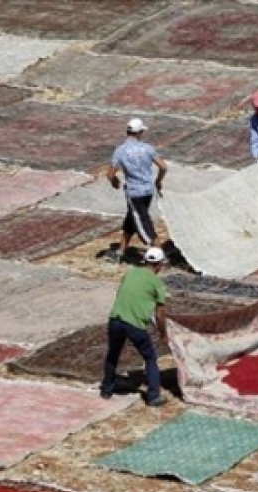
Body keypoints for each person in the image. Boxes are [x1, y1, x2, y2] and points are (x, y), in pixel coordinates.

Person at [101, 246, 169, 407]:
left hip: (115, 320)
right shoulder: (157, 284)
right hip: (135, 325)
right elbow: (160, 315)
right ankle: (153, 396)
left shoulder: (130, 272)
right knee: (150, 358)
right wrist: (163, 334)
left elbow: (122, 294)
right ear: (159, 264)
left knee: (112, 354)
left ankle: (106, 389)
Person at [102, 117, 167, 259]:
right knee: (132, 219)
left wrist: (115, 181)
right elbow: (163, 166)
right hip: (148, 191)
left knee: (144, 222)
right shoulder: (147, 148)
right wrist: (158, 181)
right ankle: (121, 251)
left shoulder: (120, 151)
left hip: (134, 192)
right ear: (140, 132)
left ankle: (159, 252)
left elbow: (110, 174)